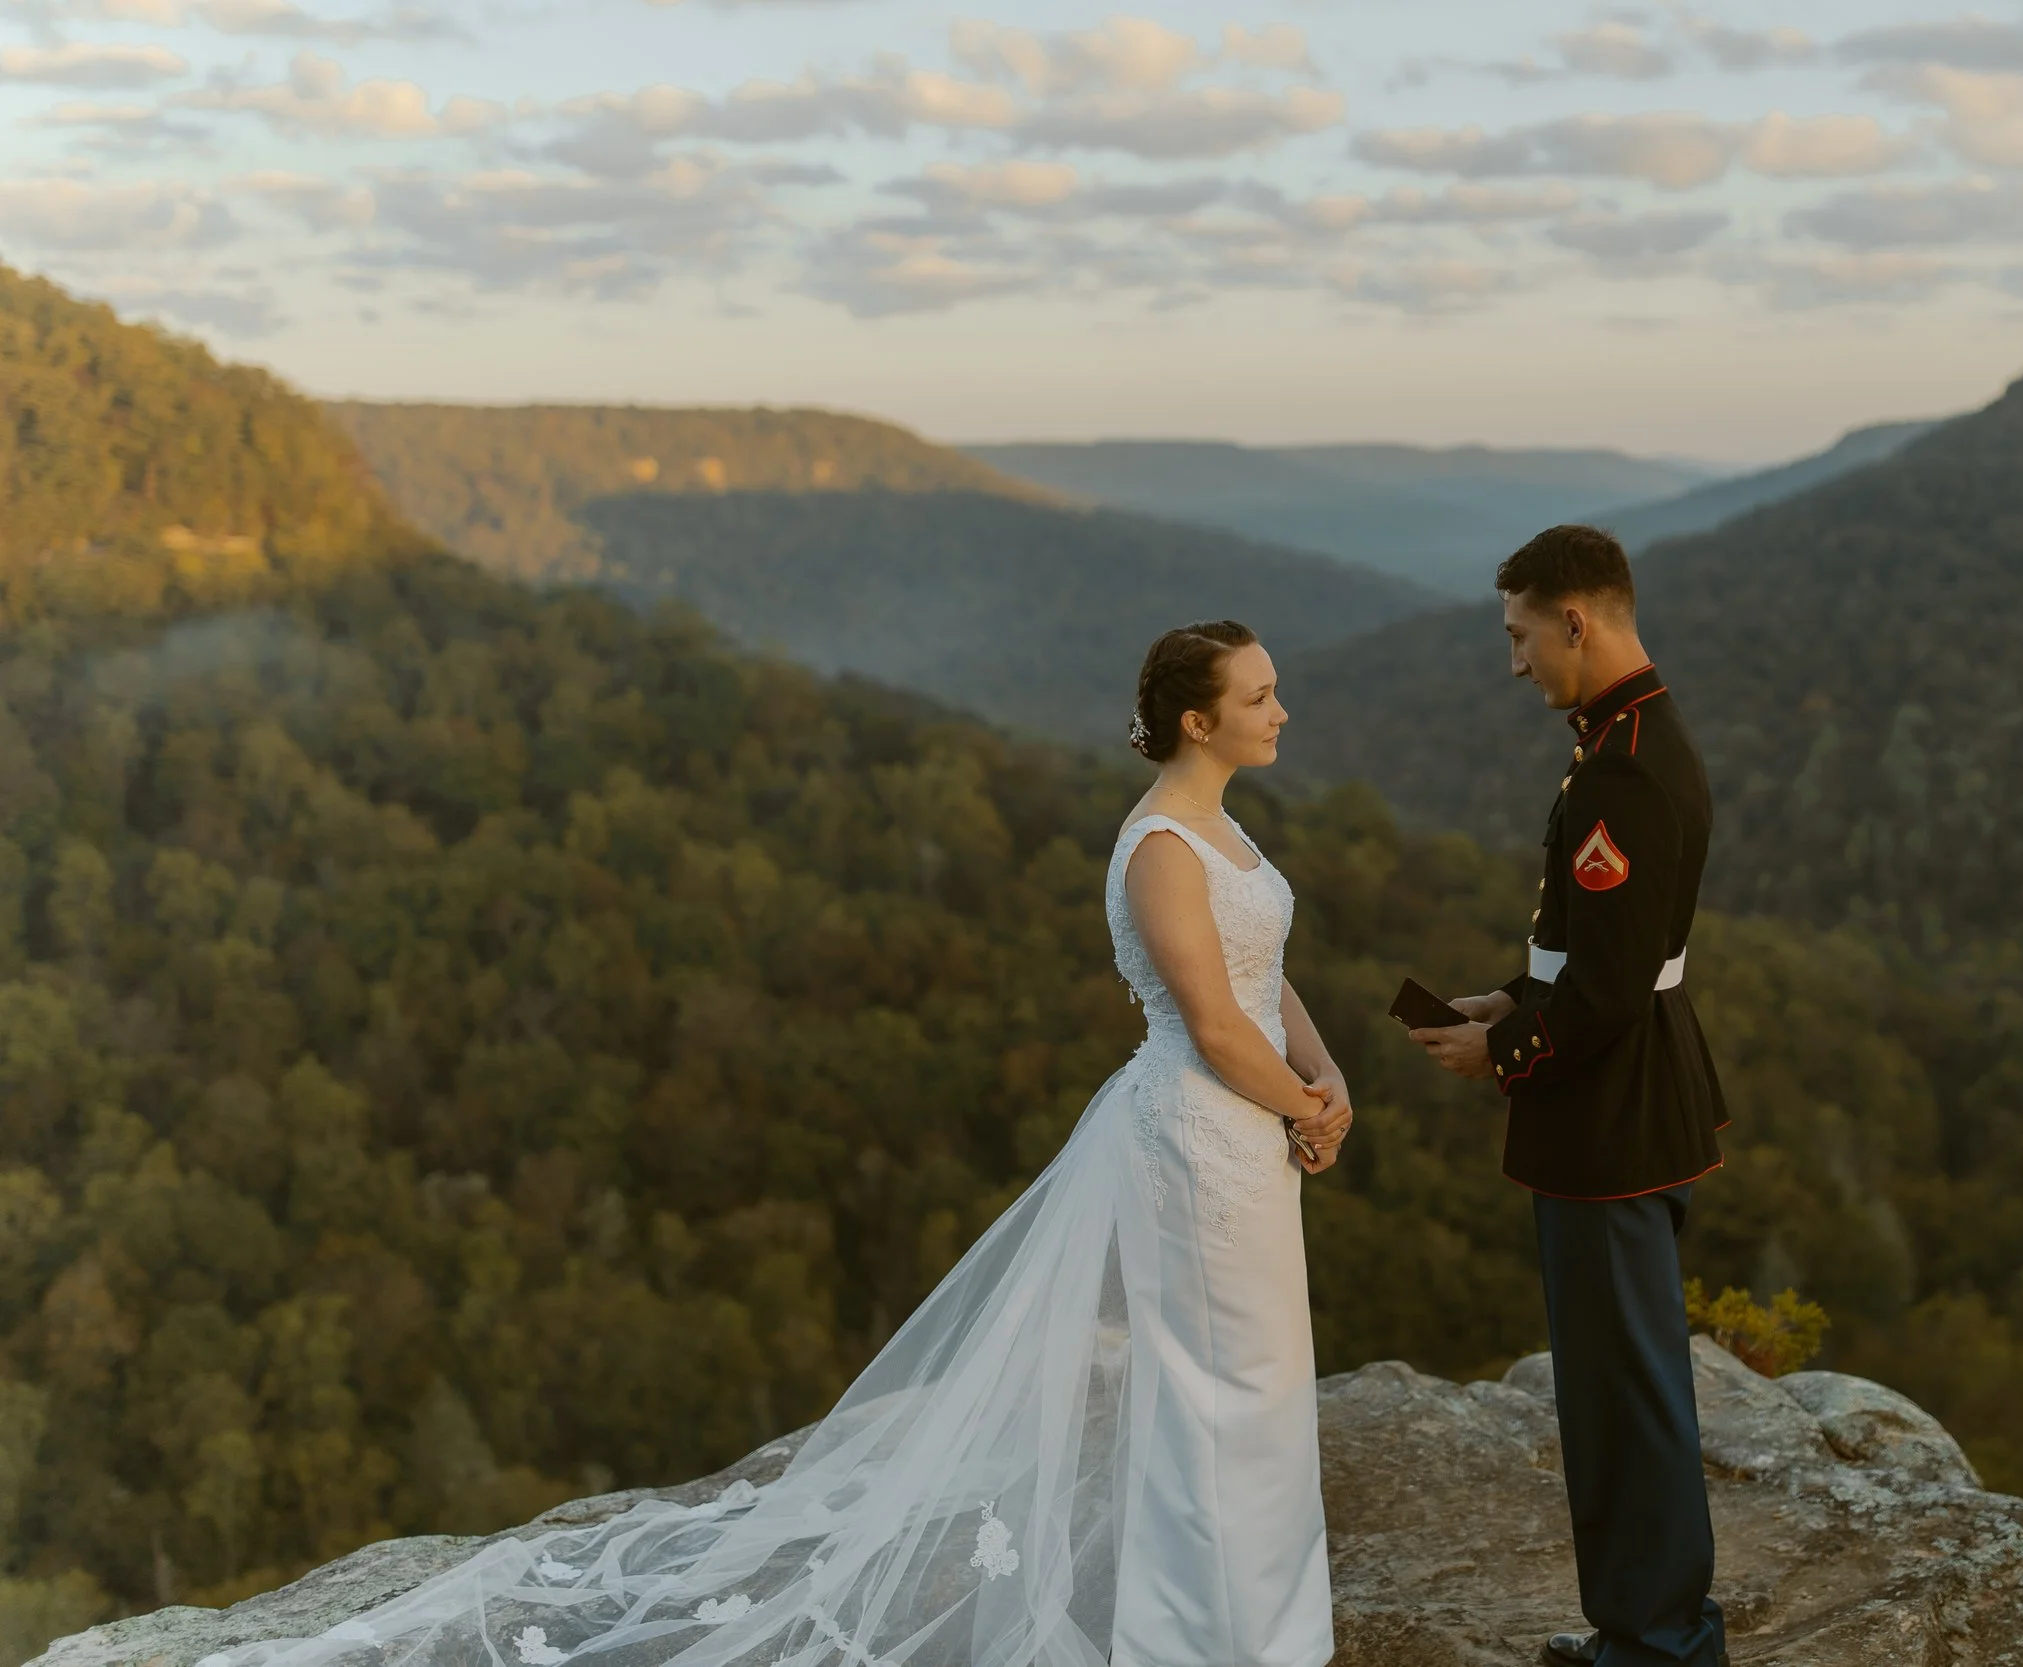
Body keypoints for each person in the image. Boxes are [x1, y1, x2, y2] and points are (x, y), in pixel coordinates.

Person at [217, 621, 1351, 1667]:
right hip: (1201, 1139)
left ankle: (1260, 1619)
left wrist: (1324, 1071)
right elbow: (1205, 1021)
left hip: (1248, 1121)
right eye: (1260, 695)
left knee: (1255, 1380)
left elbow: (1260, 969)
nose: (1281, 709)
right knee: (1217, 1389)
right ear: (1197, 721)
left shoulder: (1222, 824)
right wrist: (1302, 1107)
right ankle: (1208, 1633)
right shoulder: (1159, 846)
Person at [1408, 526, 1731, 1667]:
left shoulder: (1624, 769)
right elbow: (1593, 954)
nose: (1516, 661)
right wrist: (1506, 1000)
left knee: (1627, 1393)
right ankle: (1638, 1626)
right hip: (1625, 1103)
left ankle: (1660, 1642)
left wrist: (1500, 1060)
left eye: (1520, 634)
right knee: (1612, 1387)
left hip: (1613, 1120)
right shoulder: (1623, 740)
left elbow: (1605, 992)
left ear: (1575, 620)